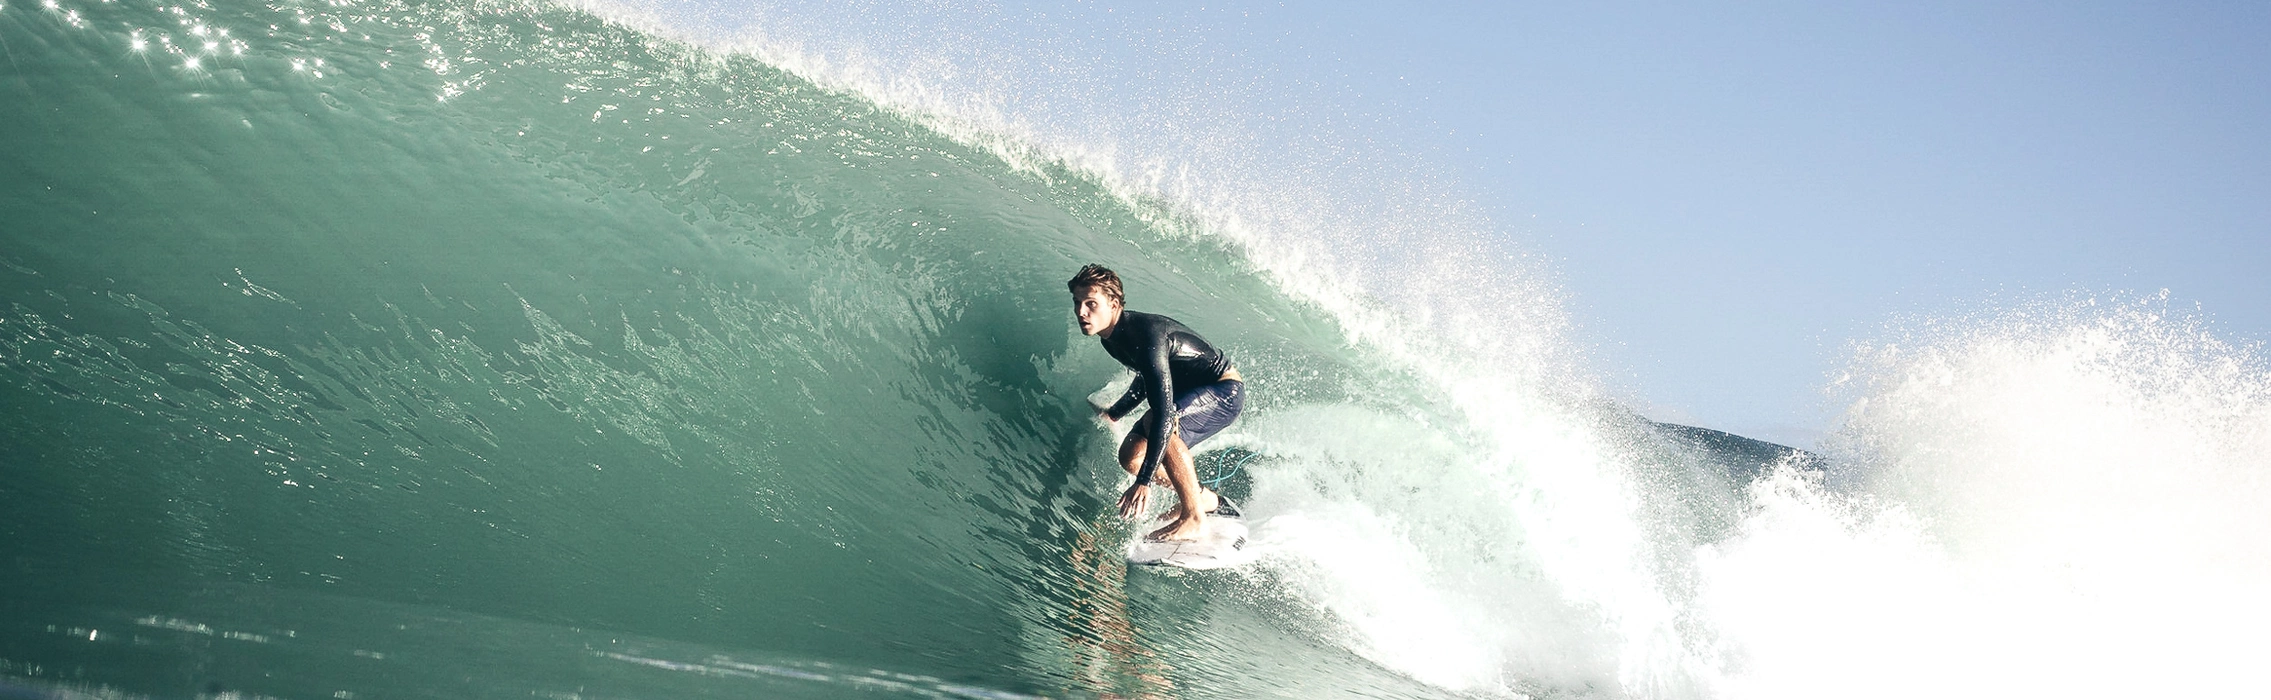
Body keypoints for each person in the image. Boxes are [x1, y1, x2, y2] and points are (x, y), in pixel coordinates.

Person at [1068, 264, 1245, 541]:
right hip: (1188, 395)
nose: (1081, 312)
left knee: (1158, 422)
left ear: (1114, 305)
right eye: (1078, 303)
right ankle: (1204, 501)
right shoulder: (1111, 340)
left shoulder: (1147, 336)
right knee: (1131, 457)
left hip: (1223, 392)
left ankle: (1193, 518)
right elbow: (1147, 380)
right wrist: (1115, 413)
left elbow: (1163, 415)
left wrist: (1144, 482)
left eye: (1091, 304)